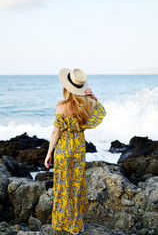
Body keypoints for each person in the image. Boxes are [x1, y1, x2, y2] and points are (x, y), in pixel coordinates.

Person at [44, 68, 106, 235]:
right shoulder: (87, 105)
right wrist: (93, 98)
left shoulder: (61, 107)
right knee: (76, 185)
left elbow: (56, 133)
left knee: (63, 186)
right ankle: (76, 226)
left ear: (67, 88)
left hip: (64, 150)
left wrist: (49, 153)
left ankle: (61, 224)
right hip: (78, 149)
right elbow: (100, 115)